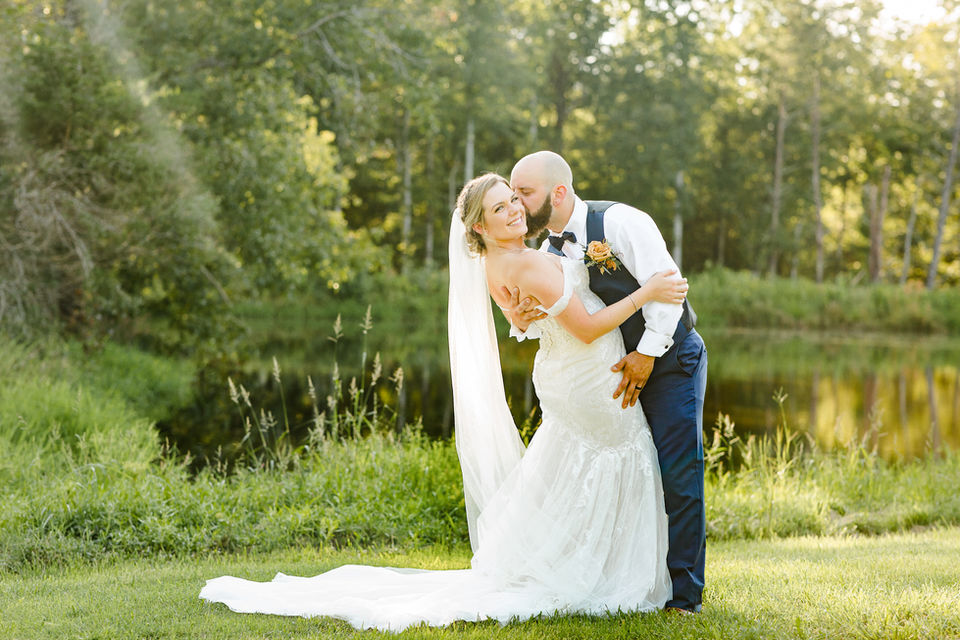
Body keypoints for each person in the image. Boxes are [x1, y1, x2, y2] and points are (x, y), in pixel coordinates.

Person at [198, 173, 688, 631]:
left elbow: (527, 319)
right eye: (501, 207)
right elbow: (584, 327)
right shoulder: (525, 261)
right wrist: (648, 290)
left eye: (514, 199)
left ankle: (575, 560)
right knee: (616, 457)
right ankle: (601, 572)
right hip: (587, 378)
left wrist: (521, 319)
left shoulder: (502, 263)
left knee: (577, 463)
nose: (515, 209)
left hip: (567, 378)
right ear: (480, 225)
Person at [506, 151, 707, 613]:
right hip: (615, 373)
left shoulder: (621, 222)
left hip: (671, 358)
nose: (517, 204)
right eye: (512, 195)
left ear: (558, 192)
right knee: (634, 474)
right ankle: (631, 579)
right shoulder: (545, 251)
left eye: (524, 194)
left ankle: (684, 596)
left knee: (679, 475)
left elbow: (668, 287)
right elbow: (559, 316)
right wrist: (522, 316)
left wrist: (647, 354)